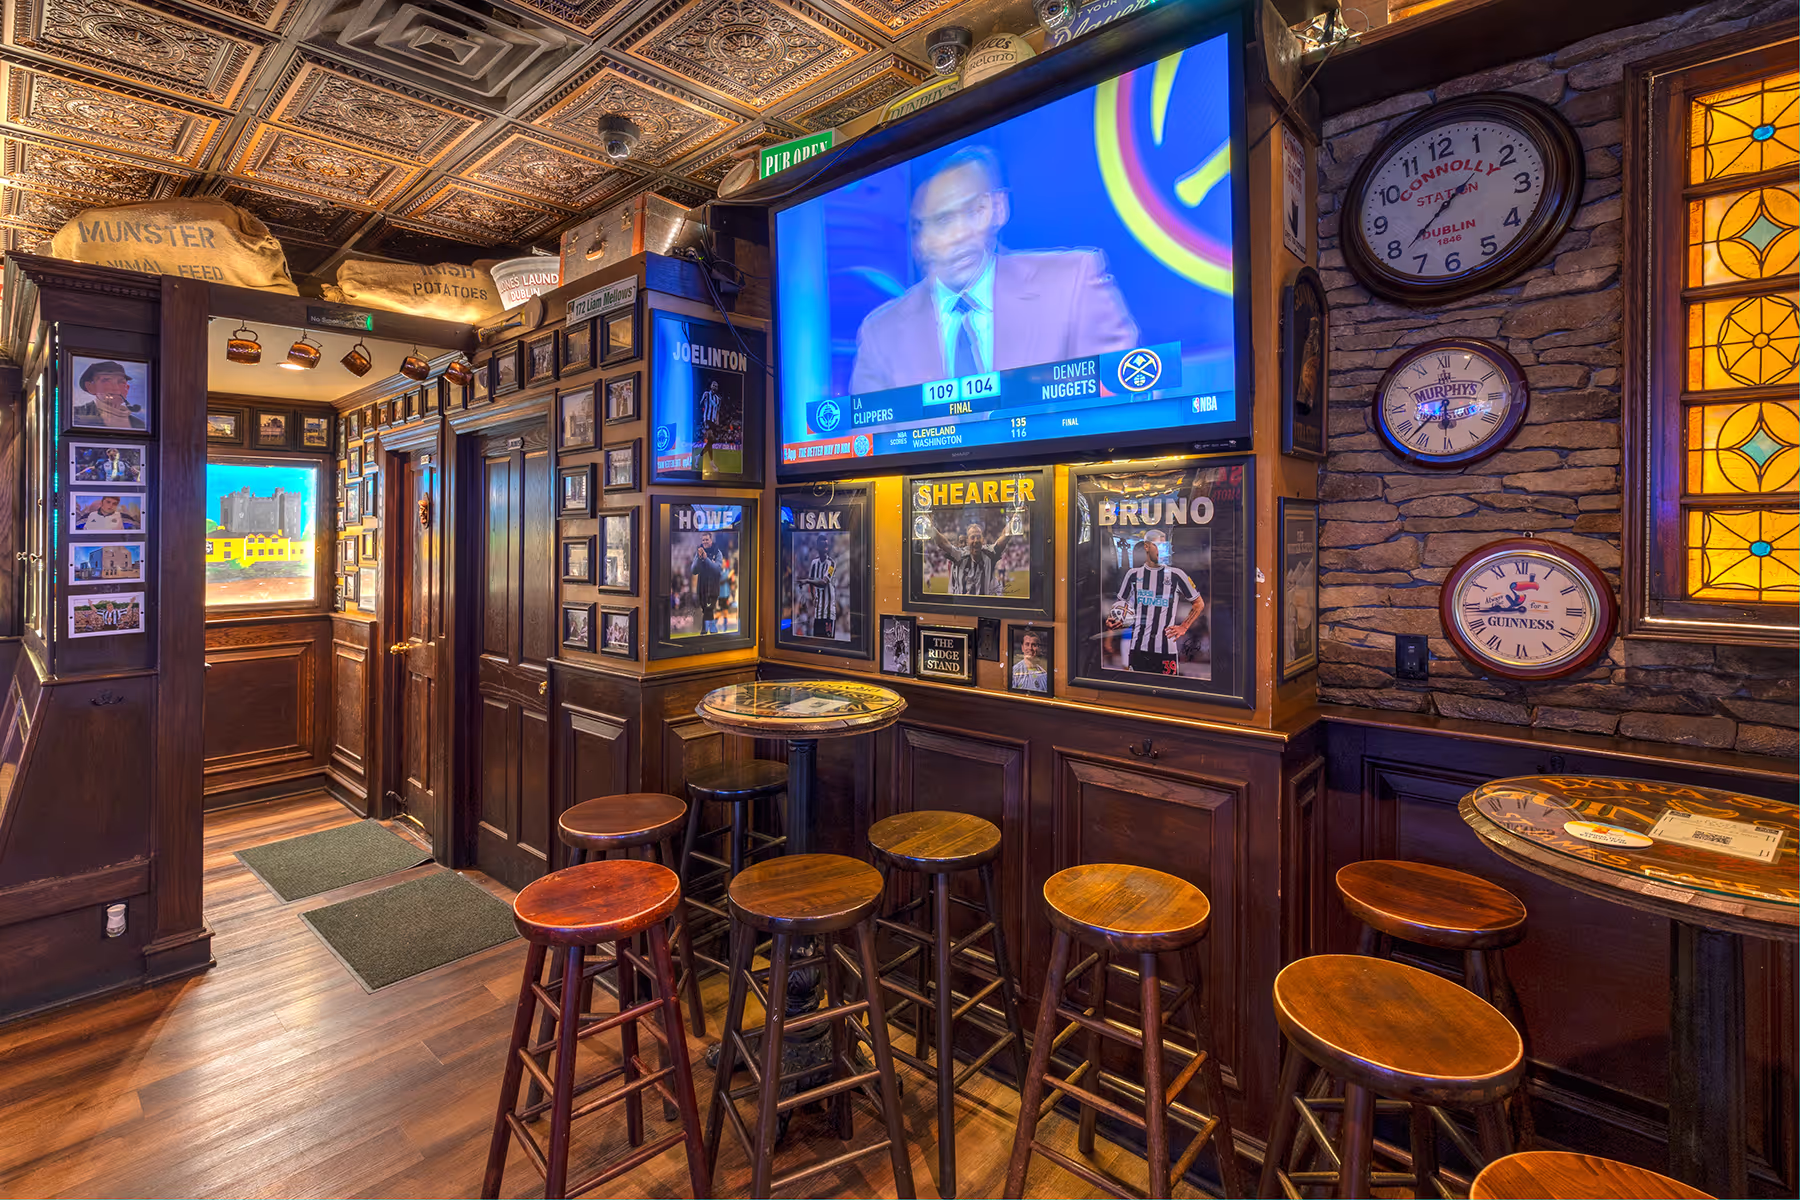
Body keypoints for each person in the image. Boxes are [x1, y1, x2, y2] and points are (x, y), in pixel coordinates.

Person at [849, 146, 1139, 394]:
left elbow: (1127, 397)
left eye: (974, 211)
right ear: (919, 239)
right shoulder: (880, 333)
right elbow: (873, 446)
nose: (960, 233)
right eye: (941, 221)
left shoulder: (1072, 282)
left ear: (999, 209)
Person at [1107, 530, 1204, 676]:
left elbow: (1199, 603)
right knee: (1135, 691)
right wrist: (1113, 621)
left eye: (1165, 546)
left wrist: (1184, 627)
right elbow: (1120, 607)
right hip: (1138, 649)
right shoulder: (1133, 575)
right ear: (1146, 546)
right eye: (1158, 545)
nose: (1163, 550)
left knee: (1167, 693)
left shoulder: (1177, 575)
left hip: (1166, 651)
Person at [929, 518, 1012, 597]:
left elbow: (1005, 536)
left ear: (983, 540)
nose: (976, 540)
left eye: (978, 537)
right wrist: (931, 528)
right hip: (963, 608)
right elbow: (943, 543)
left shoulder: (989, 554)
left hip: (983, 607)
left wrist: (1016, 518)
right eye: (972, 537)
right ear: (968, 541)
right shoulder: (959, 555)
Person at [72, 361, 145, 431]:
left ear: (127, 388)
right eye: (106, 381)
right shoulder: (75, 416)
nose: (116, 388)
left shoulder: (139, 424)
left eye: (121, 382)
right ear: (90, 387)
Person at [800, 537, 837, 638]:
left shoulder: (831, 564)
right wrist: (813, 596)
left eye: (826, 545)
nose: (825, 547)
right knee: (817, 640)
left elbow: (823, 582)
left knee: (828, 642)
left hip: (829, 612)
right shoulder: (814, 563)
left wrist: (807, 581)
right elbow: (812, 580)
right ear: (818, 547)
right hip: (818, 612)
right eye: (823, 545)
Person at [690, 531, 725, 635]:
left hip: (713, 588)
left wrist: (706, 559)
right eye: (703, 540)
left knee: (709, 609)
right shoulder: (699, 553)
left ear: (711, 540)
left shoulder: (717, 553)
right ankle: (714, 632)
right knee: (706, 610)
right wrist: (699, 559)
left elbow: (717, 570)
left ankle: (703, 633)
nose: (704, 542)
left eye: (707, 539)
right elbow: (693, 570)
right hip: (702, 587)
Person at [1010, 629, 1049, 694]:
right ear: (1022, 648)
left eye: (1033, 645)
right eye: (1027, 644)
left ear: (1038, 648)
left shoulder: (1044, 675)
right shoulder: (1014, 672)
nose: (1030, 648)